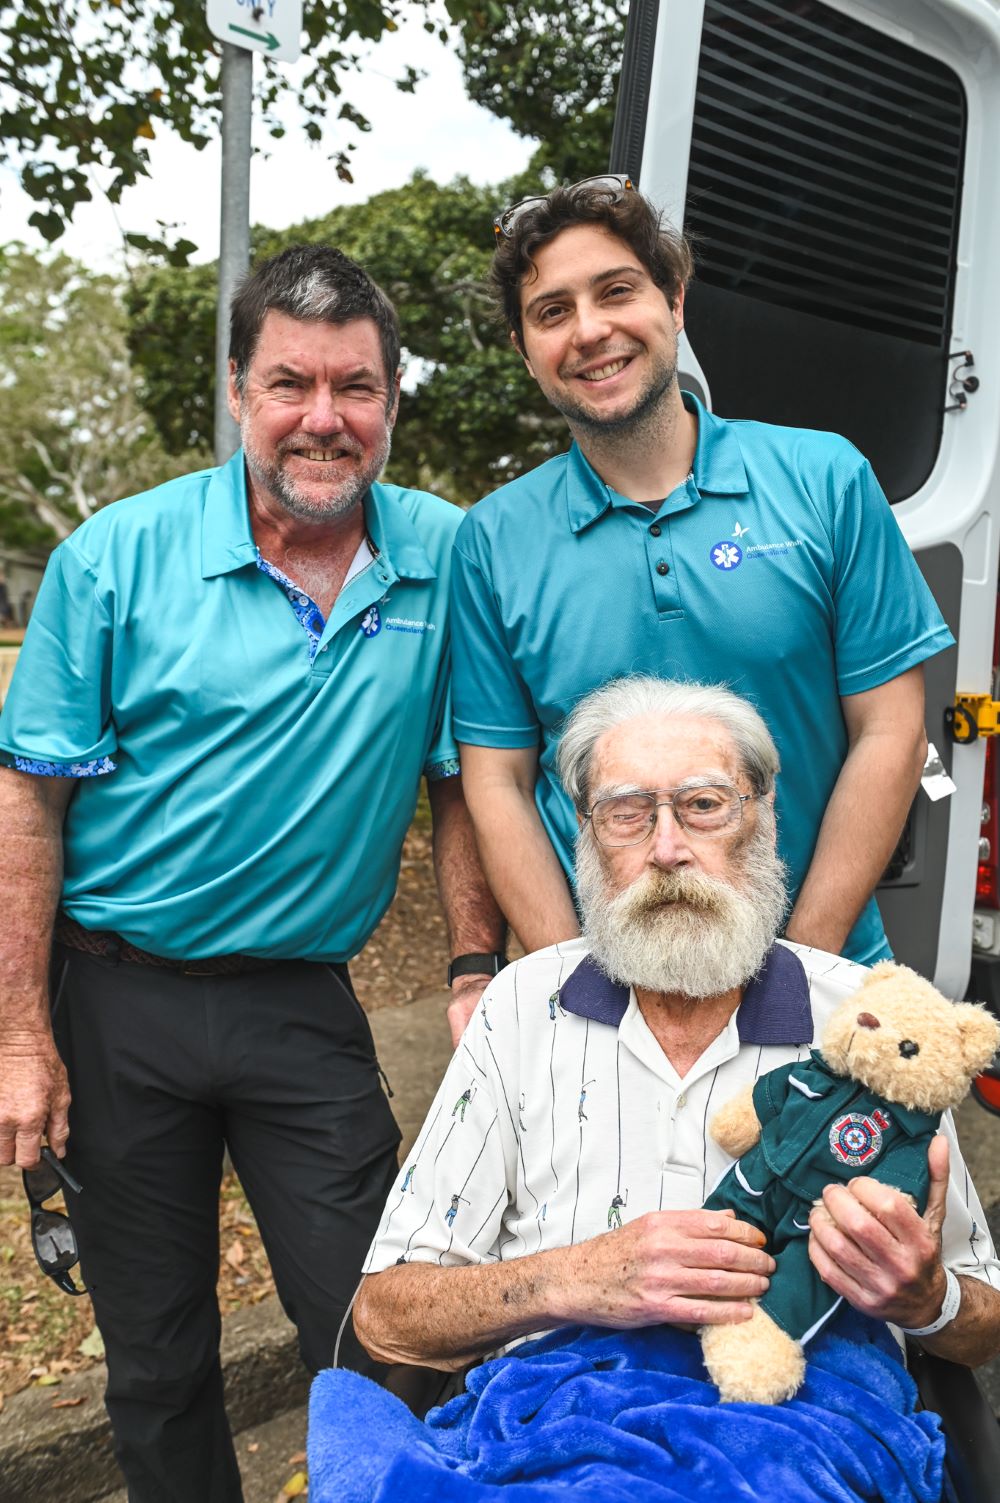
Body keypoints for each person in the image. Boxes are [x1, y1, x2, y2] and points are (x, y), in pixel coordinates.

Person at [0, 245, 504, 1503]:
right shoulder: (115, 557)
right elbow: (29, 799)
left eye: (357, 387)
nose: (322, 419)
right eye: (290, 383)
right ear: (236, 389)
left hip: (301, 1004)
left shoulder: (452, 556)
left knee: (381, 1328)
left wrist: (471, 961)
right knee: (157, 1361)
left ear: (392, 399)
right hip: (118, 1003)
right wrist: (21, 1037)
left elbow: (465, 779)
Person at [353, 677, 1000, 1379]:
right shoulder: (520, 1007)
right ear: (587, 838)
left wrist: (928, 1298)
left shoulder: (873, 1024)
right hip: (557, 1439)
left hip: (801, 1436)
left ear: (763, 818)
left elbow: (983, 1320)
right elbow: (385, 1314)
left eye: (703, 805)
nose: (667, 849)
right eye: (626, 813)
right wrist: (577, 1279)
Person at [450, 174, 954, 968]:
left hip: (826, 965)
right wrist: (572, 987)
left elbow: (888, 729)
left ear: (675, 302)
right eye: (552, 312)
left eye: (617, 290)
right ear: (524, 350)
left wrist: (804, 967)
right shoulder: (490, 541)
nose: (589, 330)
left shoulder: (826, 480)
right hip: (612, 991)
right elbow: (499, 783)